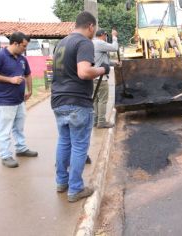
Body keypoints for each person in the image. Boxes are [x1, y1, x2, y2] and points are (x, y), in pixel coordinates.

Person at [51, 11, 109, 202]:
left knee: (64, 142)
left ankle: (61, 182)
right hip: (77, 102)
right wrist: (103, 69)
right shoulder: (84, 42)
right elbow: (84, 72)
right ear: (91, 26)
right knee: (78, 146)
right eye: (94, 29)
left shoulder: (62, 43)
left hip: (58, 100)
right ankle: (75, 189)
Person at [0, 32, 38, 168]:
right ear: (15, 43)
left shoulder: (22, 58)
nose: (25, 49)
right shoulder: (0, 56)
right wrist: (10, 79)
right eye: (23, 46)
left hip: (19, 100)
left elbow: (28, 74)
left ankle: (21, 148)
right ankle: (5, 155)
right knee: (4, 129)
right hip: (5, 101)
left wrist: (30, 90)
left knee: (19, 127)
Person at [92, 28, 119, 129]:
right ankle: (102, 122)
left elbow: (102, 60)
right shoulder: (99, 43)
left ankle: (96, 121)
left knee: (96, 100)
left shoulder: (93, 43)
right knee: (103, 100)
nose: (106, 38)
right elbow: (114, 48)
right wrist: (115, 36)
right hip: (100, 78)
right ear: (103, 35)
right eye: (106, 36)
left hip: (93, 76)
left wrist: (114, 63)